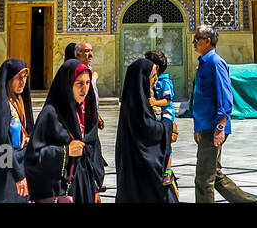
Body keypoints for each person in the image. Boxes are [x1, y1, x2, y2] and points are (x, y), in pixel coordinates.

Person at [190, 25, 257, 203]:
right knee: (215, 175)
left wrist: (220, 127)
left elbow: (225, 96)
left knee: (204, 178)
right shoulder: (205, 62)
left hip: (213, 127)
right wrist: (198, 127)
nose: (194, 42)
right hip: (206, 126)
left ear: (207, 41)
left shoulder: (215, 63)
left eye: (197, 39)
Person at [26, 59, 98, 203]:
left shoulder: (87, 111)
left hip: (85, 185)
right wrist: (65, 151)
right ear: (67, 85)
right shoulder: (51, 114)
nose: (84, 89)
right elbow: (33, 157)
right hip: (61, 189)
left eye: (88, 83)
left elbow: (92, 149)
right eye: (79, 84)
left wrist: (95, 188)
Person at [115, 57, 179, 203]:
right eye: (152, 76)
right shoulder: (136, 104)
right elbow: (148, 130)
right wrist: (167, 126)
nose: (156, 80)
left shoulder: (141, 99)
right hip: (141, 169)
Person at [0, 57, 33, 203]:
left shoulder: (18, 101)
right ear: (8, 79)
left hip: (17, 163)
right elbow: (2, 144)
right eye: (18, 78)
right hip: (4, 167)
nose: (22, 82)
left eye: (25, 77)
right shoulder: (1, 106)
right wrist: (17, 174)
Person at [73, 39, 106, 197]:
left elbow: (91, 97)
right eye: (86, 51)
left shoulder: (89, 71)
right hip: (82, 122)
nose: (90, 54)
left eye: (91, 50)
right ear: (77, 54)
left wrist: (97, 114)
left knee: (95, 153)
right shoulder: (74, 74)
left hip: (91, 120)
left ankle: (94, 184)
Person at [146, 48, 177, 186]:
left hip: (166, 116)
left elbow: (168, 101)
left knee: (167, 144)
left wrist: (154, 102)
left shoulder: (165, 82)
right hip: (156, 115)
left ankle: (168, 172)